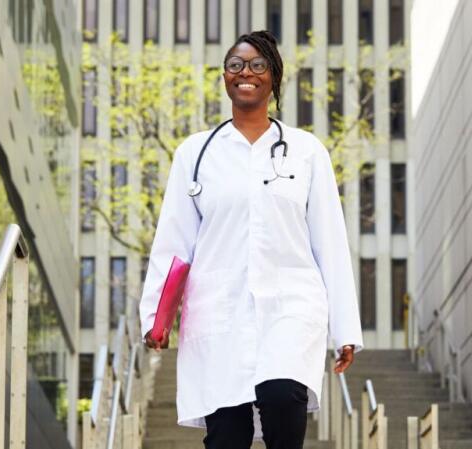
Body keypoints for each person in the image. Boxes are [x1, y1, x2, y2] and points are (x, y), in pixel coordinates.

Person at [139, 30, 363, 449]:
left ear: (273, 78)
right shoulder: (196, 153)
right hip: (218, 312)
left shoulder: (306, 151)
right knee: (227, 435)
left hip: (291, 307)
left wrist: (345, 328)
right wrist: (155, 317)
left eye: (258, 65)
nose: (246, 73)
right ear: (225, 77)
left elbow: (329, 243)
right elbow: (173, 241)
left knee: (282, 398)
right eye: (236, 65)